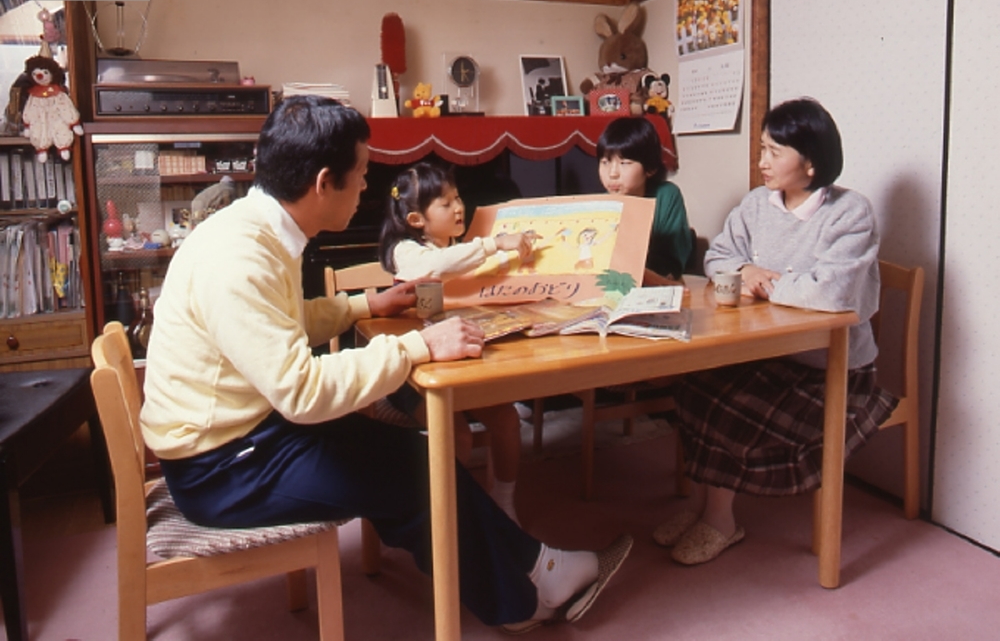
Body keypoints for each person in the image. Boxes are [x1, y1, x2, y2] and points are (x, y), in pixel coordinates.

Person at [139, 96, 631, 632]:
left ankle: (536, 570)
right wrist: (417, 346)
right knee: (415, 475)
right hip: (224, 468)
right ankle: (525, 597)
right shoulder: (240, 258)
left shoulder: (254, 229)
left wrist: (365, 305)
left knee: (412, 455)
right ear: (323, 182)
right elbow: (301, 393)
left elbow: (282, 321)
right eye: (361, 174)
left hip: (246, 437)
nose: (367, 187)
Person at [653, 98, 897, 566]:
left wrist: (767, 284)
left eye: (773, 152)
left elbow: (833, 292)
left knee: (729, 404)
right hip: (770, 355)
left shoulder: (850, 213)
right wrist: (745, 269)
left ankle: (721, 520)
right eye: (762, 149)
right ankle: (700, 507)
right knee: (696, 383)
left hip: (832, 370)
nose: (762, 161)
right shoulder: (756, 204)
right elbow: (717, 257)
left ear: (810, 163)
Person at [378, 161, 535, 524]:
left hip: (457, 363)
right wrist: (494, 243)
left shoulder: (457, 249)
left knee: (506, 419)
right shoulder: (407, 251)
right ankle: (447, 516)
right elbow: (439, 265)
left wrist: (516, 253)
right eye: (446, 203)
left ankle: (503, 504)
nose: (459, 207)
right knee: (457, 436)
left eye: (458, 198)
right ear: (417, 219)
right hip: (410, 373)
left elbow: (468, 267)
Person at [596, 117, 692, 284]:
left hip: (658, 285)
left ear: (650, 168)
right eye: (605, 162)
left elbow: (672, 262)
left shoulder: (666, 195)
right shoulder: (599, 205)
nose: (612, 173)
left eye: (624, 163)